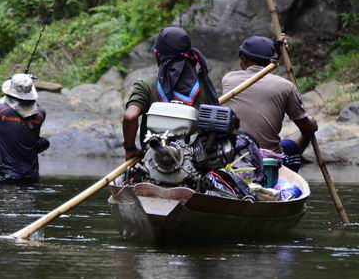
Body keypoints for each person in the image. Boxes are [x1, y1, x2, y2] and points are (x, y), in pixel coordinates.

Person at [221, 35, 317, 171]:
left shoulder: (228, 79)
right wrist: (312, 123)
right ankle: (285, 172)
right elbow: (306, 128)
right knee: (303, 134)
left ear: (244, 58)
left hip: (232, 155)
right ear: (273, 61)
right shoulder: (286, 86)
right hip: (267, 160)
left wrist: (276, 50)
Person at [122, 26, 219, 160]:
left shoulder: (145, 86)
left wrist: (130, 149)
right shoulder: (205, 89)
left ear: (157, 54)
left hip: (153, 164)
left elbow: (130, 116)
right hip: (196, 166)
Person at [0, 73, 48, 185]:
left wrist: (18, 86)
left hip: (6, 177)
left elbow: (0, 109)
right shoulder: (41, 114)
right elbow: (34, 107)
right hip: (31, 177)